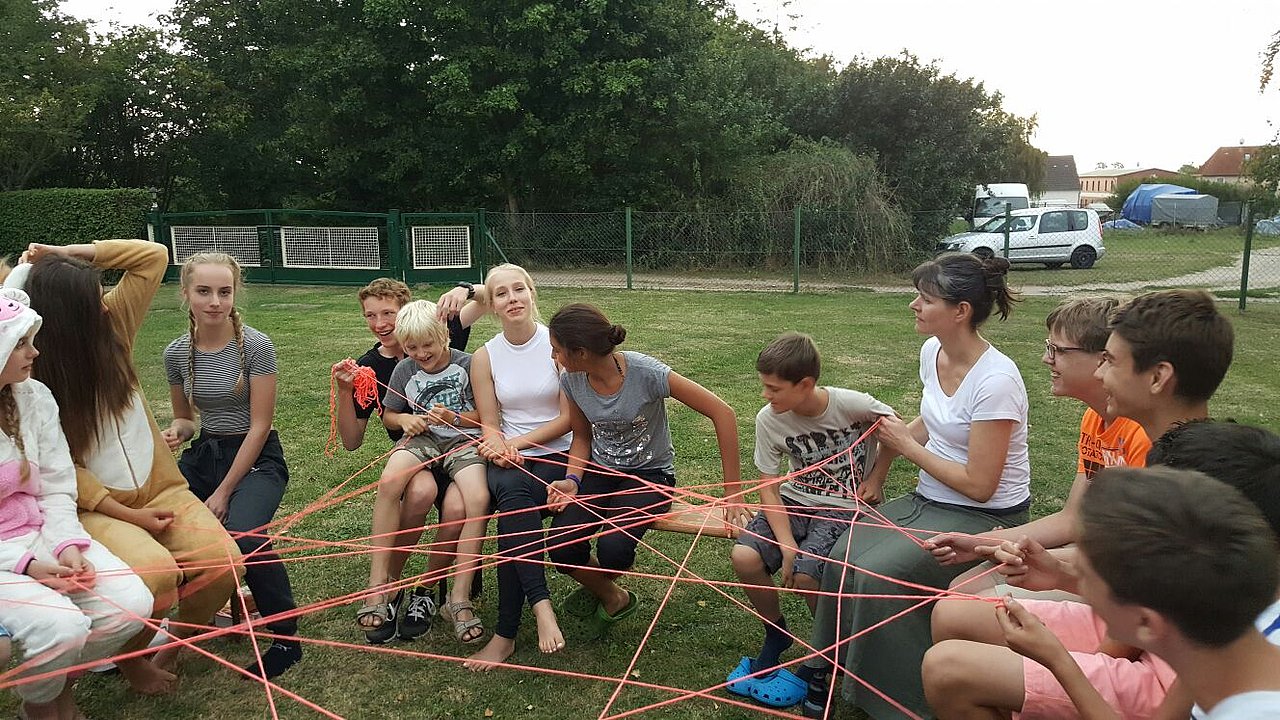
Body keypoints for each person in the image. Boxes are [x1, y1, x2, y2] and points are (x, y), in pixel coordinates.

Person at [802, 253, 1031, 719]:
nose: (914, 305)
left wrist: (905, 447)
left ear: (960, 311)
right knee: (842, 554)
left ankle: (902, 700)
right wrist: (878, 473)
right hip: (931, 498)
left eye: (925, 299)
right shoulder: (933, 352)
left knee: (877, 574)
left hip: (985, 516)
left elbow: (981, 486)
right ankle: (831, 664)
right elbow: (930, 420)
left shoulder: (997, 381)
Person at [925, 420, 1280, 720]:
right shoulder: (1220, 632)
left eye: (1094, 583)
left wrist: (1058, 660)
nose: (1082, 597)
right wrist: (1060, 575)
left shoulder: (1244, 700)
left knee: (951, 666)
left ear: (1147, 620)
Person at [16, 240, 242, 694]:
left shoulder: (113, 327)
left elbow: (152, 257)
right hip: (99, 507)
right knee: (155, 574)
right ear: (66, 315)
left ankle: (170, 647)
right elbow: (58, 470)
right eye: (93, 300)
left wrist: (67, 253)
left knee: (225, 564)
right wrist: (130, 516)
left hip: (163, 488)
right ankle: (131, 659)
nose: (106, 304)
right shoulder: (32, 374)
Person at [1002, 466, 1280, 720]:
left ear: (1146, 622)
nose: (1079, 586)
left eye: (1085, 577)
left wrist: (1058, 660)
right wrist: (1057, 658)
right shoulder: (1221, 644)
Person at [544, 303, 750, 636]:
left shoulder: (646, 373)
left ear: (580, 352)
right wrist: (571, 480)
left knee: (614, 550)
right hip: (601, 472)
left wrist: (733, 492)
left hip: (650, 476)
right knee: (562, 545)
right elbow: (581, 437)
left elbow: (722, 413)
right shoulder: (572, 380)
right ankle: (613, 595)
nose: (554, 356)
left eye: (557, 349)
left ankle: (601, 585)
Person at [0, 285, 153, 720]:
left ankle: (54, 686)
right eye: (20, 343)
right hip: (5, 556)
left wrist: (66, 545)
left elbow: (57, 485)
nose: (34, 352)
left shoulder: (34, 396)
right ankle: (41, 706)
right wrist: (27, 565)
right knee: (62, 627)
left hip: (40, 532)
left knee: (131, 606)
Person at [725, 331, 895, 708]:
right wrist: (786, 544)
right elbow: (769, 488)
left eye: (774, 388)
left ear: (805, 384)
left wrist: (876, 477)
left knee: (806, 575)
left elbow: (896, 430)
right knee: (745, 557)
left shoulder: (851, 404)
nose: (765, 395)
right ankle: (777, 633)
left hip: (844, 506)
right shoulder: (769, 420)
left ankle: (829, 654)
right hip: (794, 500)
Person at [925, 297, 1149, 579]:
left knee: (964, 595)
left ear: (1104, 358)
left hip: (1129, 571)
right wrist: (983, 543)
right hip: (1101, 555)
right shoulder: (1094, 420)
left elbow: (1138, 547)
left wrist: (1031, 555)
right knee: (965, 584)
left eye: (1058, 350)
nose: (1047, 358)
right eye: (1048, 347)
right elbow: (1073, 518)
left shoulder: (1141, 433)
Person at [163, 252, 302, 679]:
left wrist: (223, 492)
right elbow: (187, 418)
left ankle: (286, 639)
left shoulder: (255, 346)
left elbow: (260, 426)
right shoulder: (176, 353)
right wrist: (178, 430)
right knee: (163, 525)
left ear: (235, 293)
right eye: (204, 291)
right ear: (186, 293)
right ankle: (184, 620)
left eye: (224, 292)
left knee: (246, 533)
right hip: (206, 454)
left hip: (256, 457)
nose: (215, 302)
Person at [462, 264, 573, 670]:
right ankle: (540, 608)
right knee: (512, 491)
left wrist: (514, 444)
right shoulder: (484, 356)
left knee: (512, 511)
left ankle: (506, 633)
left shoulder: (556, 346)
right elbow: (490, 423)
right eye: (502, 293)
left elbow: (568, 420)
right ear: (491, 305)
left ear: (531, 292)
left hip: (557, 456)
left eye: (519, 289)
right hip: (510, 461)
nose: (512, 299)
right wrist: (497, 445)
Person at [361, 300, 489, 645]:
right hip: (423, 439)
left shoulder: (468, 364)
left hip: (463, 442)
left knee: (477, 498)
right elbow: (389, 416)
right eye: (412, 347)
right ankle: (379, 585)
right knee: (390, 480)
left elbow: (486, 415)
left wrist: (455, 417)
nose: (420, 354)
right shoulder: (405, 370)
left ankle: (458, 597)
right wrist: (405, 419)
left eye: (427, 345)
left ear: (445, 336)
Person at [331, 279, 487, 452]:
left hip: (461, 444)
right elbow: (351, 442)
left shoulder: (436, 330)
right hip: (415, 450)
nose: (379, 324)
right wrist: (344, 391)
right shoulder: (369, 367)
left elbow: (489, 299)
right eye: (370, 315)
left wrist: (467, 290)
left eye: (388, 313)